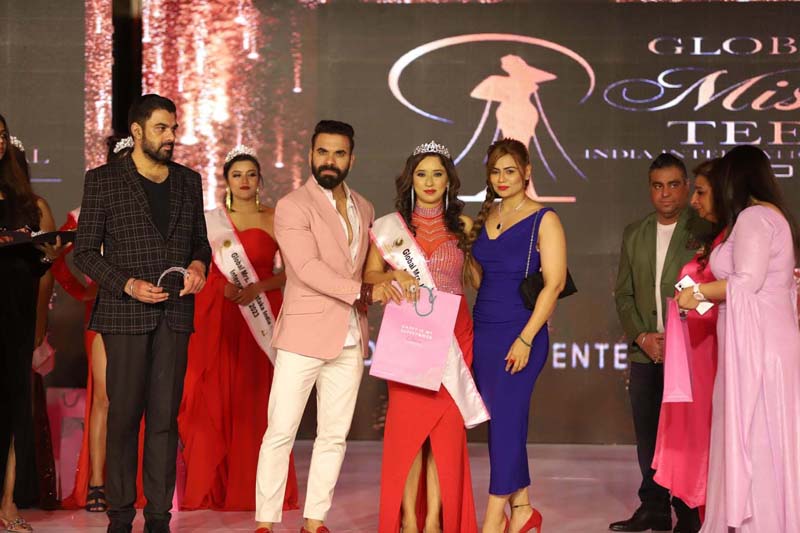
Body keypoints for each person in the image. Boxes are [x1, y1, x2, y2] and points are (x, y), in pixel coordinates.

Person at [73, 94, 211, 533]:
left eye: (173, 128)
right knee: (124, 417)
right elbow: (84, 253)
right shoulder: (103, 180)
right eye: (161, 128)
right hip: (124, 314)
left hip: (175, 313)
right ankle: (119, 517)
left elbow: (201, 242)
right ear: (137, 131)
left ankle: (158, 518)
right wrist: (127, 284)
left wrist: (198, 266)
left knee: (165, 420)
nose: (171, 136)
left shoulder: (189, 181)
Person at [254, 120, 397, 533]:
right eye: (322, 152)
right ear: (310, 155)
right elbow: (307, 268)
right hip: (303, 336)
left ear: (352, 158)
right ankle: (266, 522)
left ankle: (315, 520)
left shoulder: (365, 207)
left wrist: (394, 279)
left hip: (350, 335)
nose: (329, 161)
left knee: (334, 435)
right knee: (280, 431)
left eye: (338, 153)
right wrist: (366, 292)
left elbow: (365, 268)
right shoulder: (292, 205)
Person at [676, 145, 800, 532]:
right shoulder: (766, 216)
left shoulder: (755, 217)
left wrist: (695, 293)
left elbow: (745, 283)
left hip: (759, 349)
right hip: (759, 342)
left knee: (756, 436)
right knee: (758, 435)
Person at [366, 141, 485, 532]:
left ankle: (434, 519)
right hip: (410, 338)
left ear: (448, 180)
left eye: (438, 174)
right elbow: (369, 275)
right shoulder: (390, 228)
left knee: (444, 435)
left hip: (454, 337)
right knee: (409, 435)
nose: (430, 182)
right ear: (410, 180)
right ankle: (409, 519)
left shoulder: (462, 226)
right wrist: (393, 274)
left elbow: (476, 280)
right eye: (422, 174)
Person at [178, 146, 299, 511]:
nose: (244, 181)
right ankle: (216, 486)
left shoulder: (275, 217)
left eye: (251, 174)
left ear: (260, 180)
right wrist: (221, 288)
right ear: (226, 181)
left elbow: (292, 272)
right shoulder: (210, 221)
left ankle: (257, 488)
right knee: (217, 396)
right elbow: (197, 268)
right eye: (237, 175)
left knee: (258, 400)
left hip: (262, 316)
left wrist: (258, 287)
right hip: (221, 317)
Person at [468, 138, 567, 533]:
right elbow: (480, 280)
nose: (502, 178)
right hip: (484, 331)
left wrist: (526, 338)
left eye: (510, 170)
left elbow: (554, 284)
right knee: (502, 423)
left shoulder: (545, 219)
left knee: (507, 424)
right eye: (495, 171)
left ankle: (494, 520)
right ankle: (523, 509)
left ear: (527, 172)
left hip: (522, 333)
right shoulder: (487, 216)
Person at [611, 154, 704, 532]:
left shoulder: (704, 230)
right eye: (657, 186)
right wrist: (642, 337)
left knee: (684, 434)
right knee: (647, 433)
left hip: (690, 352)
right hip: (645, 352)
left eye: (673, 184)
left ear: (686, 186)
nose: (665, 193)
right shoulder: (635, 232)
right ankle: (654, 507)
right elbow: (623, 294)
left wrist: (679, 337)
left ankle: (687, 510)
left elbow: (709, 289)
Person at [56, 135, 146, 513]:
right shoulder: (84, 213)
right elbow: (58, 257)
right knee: (105, 399)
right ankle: (96, 482)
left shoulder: (149, 210)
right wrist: (82, 292)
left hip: (141, 313)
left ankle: (130, 483)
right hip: (103, 314)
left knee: (137, 399)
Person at [651, 159, 722, 532]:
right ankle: (690, 511)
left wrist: (701, 293)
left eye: (699, 192)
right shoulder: (698, 260)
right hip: (688, 364)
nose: (694, 201)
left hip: (715, 360)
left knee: (710, 438)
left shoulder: (730, 246)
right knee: (689, 439)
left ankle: (711, 512)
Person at [0, 114, 63, 532]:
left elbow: (39, 265)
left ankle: (7, 504)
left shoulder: (28, 204)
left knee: (12, 409)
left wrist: (50, 257)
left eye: (1, 135)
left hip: (15, 319)